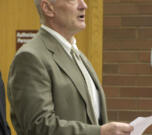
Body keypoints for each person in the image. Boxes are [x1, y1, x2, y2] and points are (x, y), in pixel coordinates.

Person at [7, 0, 133, 135]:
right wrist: (99, 132)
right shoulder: (31, 57)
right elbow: (38, 126)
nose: (84, 5)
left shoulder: (78, 55)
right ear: (48, 8)